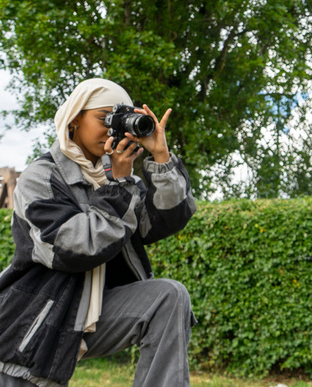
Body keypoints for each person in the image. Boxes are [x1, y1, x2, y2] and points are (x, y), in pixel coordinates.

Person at [0, 78, 197, 386]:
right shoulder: (41, 177)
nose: (111, 129)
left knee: (169, 297)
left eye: (118, 120)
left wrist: (161, 157)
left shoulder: (116, 175)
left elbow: (161, 222)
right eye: (104, 117)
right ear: (75, 118)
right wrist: (118, 185)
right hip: (36, 319)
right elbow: (73, 249)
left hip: (93, 315)